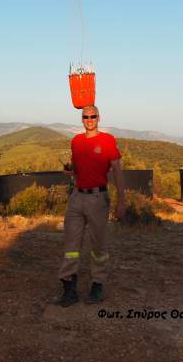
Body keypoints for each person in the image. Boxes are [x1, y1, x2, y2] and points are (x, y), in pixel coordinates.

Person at [56, 104, 126, 306]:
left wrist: (121, 201)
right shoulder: (76, 141)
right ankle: (69, 288)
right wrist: (70, 172)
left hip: (97, 198)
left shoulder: (108, 140)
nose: (89, 120)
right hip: (76, 197)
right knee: (71, 245)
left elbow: (117, 171)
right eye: (86, 117)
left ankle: (97, 284)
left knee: (98, 245)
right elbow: (77, 167)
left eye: (93, 116)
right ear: (82, 119)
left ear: (99, 118)